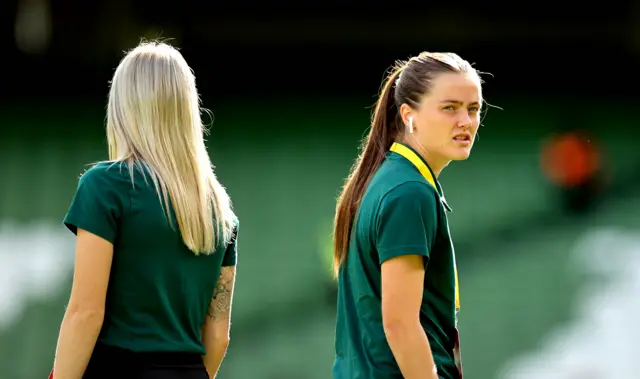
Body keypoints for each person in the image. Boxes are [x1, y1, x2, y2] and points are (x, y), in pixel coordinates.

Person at [50, 41, 238, 379]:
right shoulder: (219, 209)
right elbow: (218, 336)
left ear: (122, 108)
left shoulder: (104, 186)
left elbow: (85, 313)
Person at [332, 52, 485, 379]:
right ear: (408, 115)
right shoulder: (409, 192)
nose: (466, 121)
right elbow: (400, 324)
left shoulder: (391, 179)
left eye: (473, 109)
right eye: (449, 108)